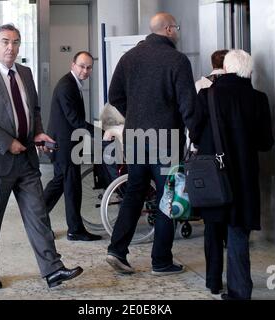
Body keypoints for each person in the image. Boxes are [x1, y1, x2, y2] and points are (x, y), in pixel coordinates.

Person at [0, 24, 83, 289]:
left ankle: (52, 269)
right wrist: (9, 143)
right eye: (5, 41)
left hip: (27, 159)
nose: (11, 47)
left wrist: (39, 133)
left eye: (16, 42)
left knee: (38, 215)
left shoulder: (26, 74)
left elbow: (35, 109)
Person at [105, 12, 201, 275]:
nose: (178, 32)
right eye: (177, 28)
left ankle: (117, 250)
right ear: (169, 29)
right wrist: (198, 136)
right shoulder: (177, 60)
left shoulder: (129, 57)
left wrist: (135, 115)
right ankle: (161, 260)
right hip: (166, 139)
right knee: (167, 198)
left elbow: (114, 95)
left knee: (134, 193)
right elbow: (188, 105)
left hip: (136, 137)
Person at [194, 49, 274, 299]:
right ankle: (239, 291)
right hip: (245, 177)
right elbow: (265, 142)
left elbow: (195, 135)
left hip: (214, 176)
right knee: (238, 231)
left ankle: (213, 281)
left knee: (213, 227)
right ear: (248, 71)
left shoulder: (207, 96)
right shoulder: (259, 99)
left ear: (225, 69)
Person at [43, 51, 102, 241]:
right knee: (72, 187)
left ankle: (35, 217)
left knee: (61, 183)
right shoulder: (67, 86)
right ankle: (74, 230)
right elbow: (75, 120)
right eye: (82, 66)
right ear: (73, 64)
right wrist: (99, 133)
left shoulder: (73, 83)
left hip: (65, 144)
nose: (85, 70)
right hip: (64, 145)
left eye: (89, 67)